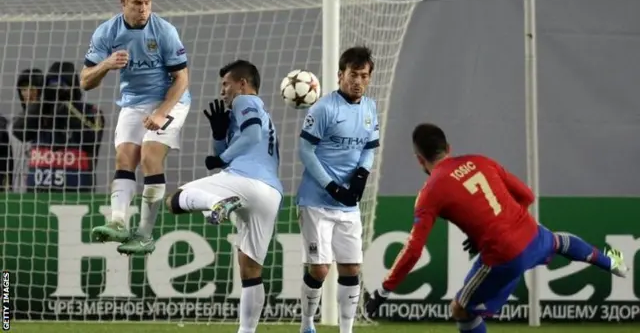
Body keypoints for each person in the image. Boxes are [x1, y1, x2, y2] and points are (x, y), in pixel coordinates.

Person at [364, 123, 629, 333]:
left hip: (503, 256)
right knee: (559, 241)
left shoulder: (429, 193)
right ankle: (614, 264)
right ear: (448, 147)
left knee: (461, 310)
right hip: (530, 234)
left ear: (419, 160)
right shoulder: (481, 161)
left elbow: (413, 250)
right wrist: (504, 224)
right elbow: (526, 195)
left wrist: (384, 291)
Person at [165, 60, 283, 333]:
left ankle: (215, 204)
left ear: (242, 83)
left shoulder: (246, 101)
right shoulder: (256, 112)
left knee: (175, 199)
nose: (223, 91)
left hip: (244, 180)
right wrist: (220, 135)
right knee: (250, 269)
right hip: (270, 192)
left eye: (226, 84)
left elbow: (251, 138)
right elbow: (244, 143)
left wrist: (222, 155)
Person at [80, 0, 190, 254]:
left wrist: (162, 113)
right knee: (124, 157)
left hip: (170, 101)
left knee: (150, 156)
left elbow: (182, 79)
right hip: (134, 102)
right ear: (123, 2)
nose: (144, 9)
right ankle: (117, 223)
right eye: (138, 3)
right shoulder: (107, 32)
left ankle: (144, 234)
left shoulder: (164, 31)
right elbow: (85, 81)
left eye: (148, 3)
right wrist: (106, 64)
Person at [297, 46, 380, 333]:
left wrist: (361, 176)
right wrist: (331, 185)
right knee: (320, 269)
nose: (358, 81)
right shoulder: (323, 108)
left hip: (348, 203)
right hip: (317, 200)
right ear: (340, 75)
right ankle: (307, 323)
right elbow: (305, 150)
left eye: (364, 76)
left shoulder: (370, 108)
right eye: (353, 75)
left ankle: (347, 330)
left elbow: (369, 148)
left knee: (352, 267)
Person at [12, 64, 104, 192]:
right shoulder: (40, 111)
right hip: (38, 192)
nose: (57, 89)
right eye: (51, 85)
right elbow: (19, 132)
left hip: (77, 192)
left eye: (62, 85)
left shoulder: (90, 111)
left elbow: (91, 138)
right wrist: (44, 101)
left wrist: (66, 106)